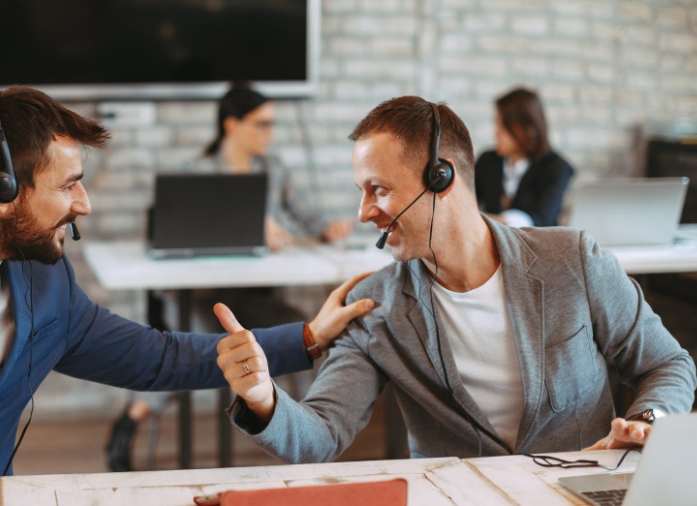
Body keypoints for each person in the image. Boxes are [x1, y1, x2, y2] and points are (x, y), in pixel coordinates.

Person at [0, 80, 376, 485]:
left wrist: (306, 337)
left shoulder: (46, 287)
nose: (84, 205)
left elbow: (159, 358)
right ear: (2, 190)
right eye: (68, 185)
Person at [216, 96, 696, 463]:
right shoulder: (373, 306)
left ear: (441, 179)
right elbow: (321, 432)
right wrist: (264, 399)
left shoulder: (571, 260)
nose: (364, 212)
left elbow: (668, 364)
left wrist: (645, 424)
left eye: (378, 189)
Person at [104, 82, 353, 471]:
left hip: (254, 295)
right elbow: (167, 232)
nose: (269, 134)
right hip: (202, 297)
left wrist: (328, 229)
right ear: (232, 125)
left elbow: (309, 218)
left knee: (308, 340)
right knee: (201, 353)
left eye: (272, 125)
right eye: (262, 124)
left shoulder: (274, 169)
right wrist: (255, 226)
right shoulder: (196, 173)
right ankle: (131, 419)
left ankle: (309, 436)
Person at [474, 87, 575, 227]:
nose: (495, 134)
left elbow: (541, 220)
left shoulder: (557, 168)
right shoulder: (487, 161)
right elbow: (467, 201)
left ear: (524, 129)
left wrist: (486, 220)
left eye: (502, 126)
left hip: (535, 247)